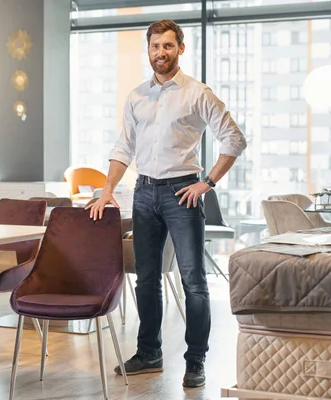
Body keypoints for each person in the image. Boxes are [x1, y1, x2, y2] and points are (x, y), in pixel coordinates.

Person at [86, 19, 247, 388]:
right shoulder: (136, 95)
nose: (161, 52)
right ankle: (149, 353)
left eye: (169, 46)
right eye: (156, 46)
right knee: (146, 279)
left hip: (181, 193)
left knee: (193, 281)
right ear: (149, 49)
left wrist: (206, 183)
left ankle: (196, 360)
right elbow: (123, 147)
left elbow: (233, 140)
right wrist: (108, 188)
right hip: (143, 192)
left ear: (180, 49)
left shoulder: (197, 93)